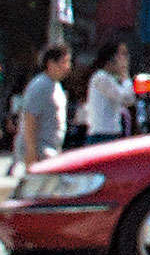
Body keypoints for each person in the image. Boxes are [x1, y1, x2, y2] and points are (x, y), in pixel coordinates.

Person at [14, 43, 72, 172]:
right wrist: (31, 152)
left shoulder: (55, 86)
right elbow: (30, 118)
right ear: (51, 64)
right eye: (64, 62)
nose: (68, 67)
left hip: (50, 150)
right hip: (39, 151)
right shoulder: (41, 85)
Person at [81, 39, 134, 144]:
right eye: (122, 55)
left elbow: (130, 100)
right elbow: (122, 96)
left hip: (112, 133)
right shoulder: (101, 77)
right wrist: (125, 77)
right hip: (101, 135)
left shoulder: (112, 79)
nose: (126, 60)